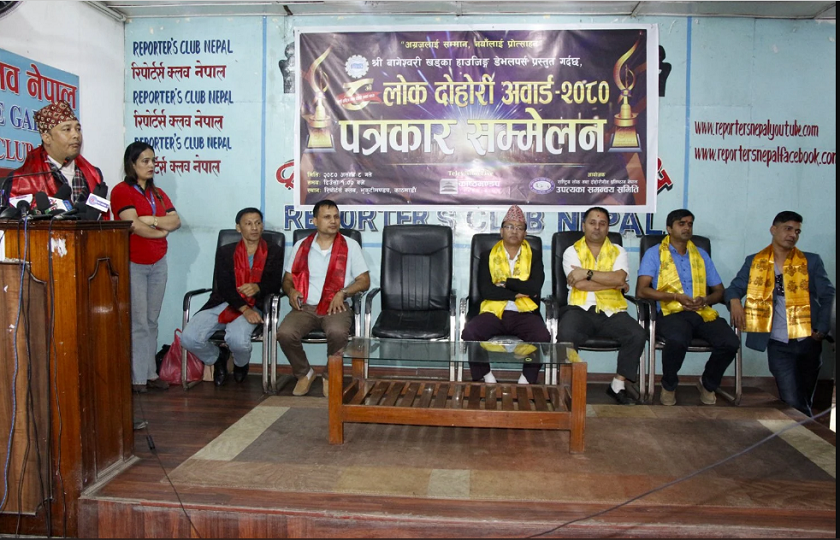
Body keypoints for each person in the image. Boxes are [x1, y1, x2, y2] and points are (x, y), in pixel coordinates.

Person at [725, 211, 835, 417]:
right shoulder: (755, 261)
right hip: (777, 342)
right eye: (788, 229)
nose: (792, 235)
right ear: (773, 230)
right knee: (791, 400)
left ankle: (802, 433)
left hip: (809, 339)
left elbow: (829, 295)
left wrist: (821, 328)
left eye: (797, 231)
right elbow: (734, 288)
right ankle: (806, 433)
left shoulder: (811, 261)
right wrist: (734, 301)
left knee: (804, 398)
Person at [636, 209, 739, 406]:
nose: (687, 228)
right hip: (670, 312)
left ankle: (707, 384)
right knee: (677, 339)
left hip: (702, 311)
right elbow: (642, 291)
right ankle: (669, 385)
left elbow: (719, 291)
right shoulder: (654, 253)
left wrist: (705, 300)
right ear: (669, 228)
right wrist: (675, 297)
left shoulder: (700, 255)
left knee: (730, 342)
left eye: (690, 224)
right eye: (681, 224)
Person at [180, 208, 284, 386]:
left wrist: (257, 287)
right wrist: (244, 309)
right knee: (189, 338)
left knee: (238, 341)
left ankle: (240, 364)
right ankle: (218, 357)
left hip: (255, 304)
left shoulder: (273, 250)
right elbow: (224, 286)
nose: (254, 228)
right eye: (248, 224)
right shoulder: (226, 252)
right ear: (238, 228)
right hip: (223, 302)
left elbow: (274, 284)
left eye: (258, 223)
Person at [277, 200, 370, 396]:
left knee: (337, 332)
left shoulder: (350, 245)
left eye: (336, 217)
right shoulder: (301, 246)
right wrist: (291, 291)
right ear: (314, 221)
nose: (333, 221)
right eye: (327, 217)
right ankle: (304, 373)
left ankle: (330, 375)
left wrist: (343, 292)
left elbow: (364, 281)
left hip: (336, 307)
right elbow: (287, 280)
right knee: (285, 333)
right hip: (305, 307)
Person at [110, 142, 181, 393]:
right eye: (145, 161)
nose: (151, 165)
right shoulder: (121, 191)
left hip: (158, 263)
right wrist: (160, 231)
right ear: (132, 164)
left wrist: (151, 220)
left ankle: (150, 374)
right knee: (139, 322)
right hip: (134, 263)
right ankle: (137, 378)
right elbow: (133, 225)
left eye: (153, 160)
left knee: (151, 320)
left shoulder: (157, 193)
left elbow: (175, 221)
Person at [556, 207, 646, 405]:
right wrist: (613, 283)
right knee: (566, 334)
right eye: (592, 223)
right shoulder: (571, 251)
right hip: (579, 309)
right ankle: (567, 387)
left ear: (607, 228)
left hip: (612, 310)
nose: (597, 227)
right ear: (584, 226)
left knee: (637, 334)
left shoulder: (618, 251)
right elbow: (580, 285)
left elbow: (619, 277)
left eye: (602, 223)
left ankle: (617, 385)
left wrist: (587, 273)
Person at [461, 204, 550, 384]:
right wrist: (515, 294)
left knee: (542, 337)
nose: (514, 231)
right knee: (470, 333)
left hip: (524, 313)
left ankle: (527, 378)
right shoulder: (487, 255)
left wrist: (506, 283)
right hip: (493, 312)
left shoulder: (534, 256)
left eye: (519, 228)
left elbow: (534, 287)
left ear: (525, 233)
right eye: (509, 226)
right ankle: (485, 376)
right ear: (501, 231)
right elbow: (486, 290)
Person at [1, 100, 105, 206]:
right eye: (67, 129)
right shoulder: (20, 179)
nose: (76, 135)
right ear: (47, 138)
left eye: (78, 129)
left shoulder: (93, 174)